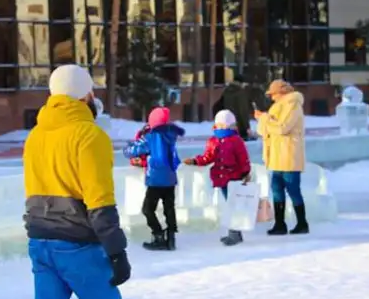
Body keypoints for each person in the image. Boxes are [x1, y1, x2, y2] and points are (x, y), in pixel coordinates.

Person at [18, 64, 172, 299]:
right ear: (86, 94)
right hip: (79, 246)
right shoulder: (89, 135)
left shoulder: (36, 135)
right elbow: (100, 202)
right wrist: (117, 253)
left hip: (41, 243)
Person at [183, 109, 252, 246]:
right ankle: (235, 233)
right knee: (230, 205)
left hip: (234, 177)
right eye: (218, 124)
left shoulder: (236, 140)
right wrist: (196, 161)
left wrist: (245, 173)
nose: (219, 127)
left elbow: (243, 159)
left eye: (223, 124)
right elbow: (208, 157)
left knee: (233, 206)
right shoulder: (213, 141)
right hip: (221, 178)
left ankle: (234, 234)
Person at [123, 107, 185, 251]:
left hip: (156, 180)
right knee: (169, 209)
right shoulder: (171, 135)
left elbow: (133, 150)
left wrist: (127, 147)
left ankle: (158, 235)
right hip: (170, 179)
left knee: (147, 209)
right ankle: (171, 238)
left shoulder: (151, 137)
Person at [253, 79, 309, 235]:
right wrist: (262, 119)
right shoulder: (277, 106)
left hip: (289, 154)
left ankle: (302, 223)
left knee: (293, 189)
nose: (271, 97)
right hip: (277, 155)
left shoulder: (292, 104)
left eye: (273, 94)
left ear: (282, 92)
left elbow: (283, 128)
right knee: (277, 190)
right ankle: (279, 224)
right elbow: (264, 130)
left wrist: (265, 118)